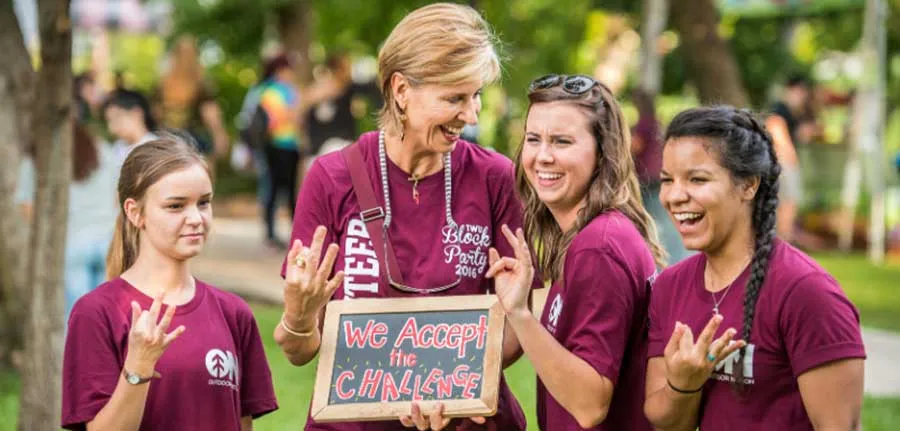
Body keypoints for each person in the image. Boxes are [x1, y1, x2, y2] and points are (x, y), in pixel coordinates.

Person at [273, 3, 532, 430]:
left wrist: (450, 392)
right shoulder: (332, 177)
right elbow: (298, 350)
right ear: (400, 91)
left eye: (476, 96)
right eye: (455, 98)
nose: (471, 115)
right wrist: (300, 315)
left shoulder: (495, 177)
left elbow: (519, 321)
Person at [644, 106, 866, 430]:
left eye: (697, 179)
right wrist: (684, 384)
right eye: (667, 180)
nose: (675, 195)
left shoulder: (807, 292)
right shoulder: (669, 288)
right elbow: (666, 423)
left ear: (749, 185)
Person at [61, 135, 278, 430]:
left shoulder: (233, 313)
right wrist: (138, 368)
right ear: (135, 212)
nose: (195, 218)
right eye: (176, 206)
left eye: (204, 203)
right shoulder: (97, 312)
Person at [485, 74, 665, 430]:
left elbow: (589, 404)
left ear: (602, 152)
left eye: (562, 141)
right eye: (533, 139)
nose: (543, 156)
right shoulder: (593, 237)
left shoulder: (598, 248)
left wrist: (520, 314)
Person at [16, 121, 119, 321]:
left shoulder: (38, 157)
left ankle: (79, 352)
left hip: (71, 243)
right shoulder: (100, 148)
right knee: (111, 313)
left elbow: (28, 208)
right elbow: (118, 193)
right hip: (108, 241)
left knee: (78, 315)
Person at [631, 89, 691, 264]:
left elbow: (635, 147)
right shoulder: (657, 123)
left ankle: (658, 260)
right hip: (658, 176)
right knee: (661, 221)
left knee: (650, 221)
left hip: (647, 179)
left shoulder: (644, 124)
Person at [155, 35, 229, 160]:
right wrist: (220, 135)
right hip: (188, 140)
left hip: (172, 139)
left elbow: (156, 113)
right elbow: (210, 114)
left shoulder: (163, 84)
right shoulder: (201, 85)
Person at [305, 52, 382, 163]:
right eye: (346, 68)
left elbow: (372, 88)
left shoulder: (349, 88)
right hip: (324, 149)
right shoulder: (318, 92)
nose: (350, 72)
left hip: (341, 146)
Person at [767, 75, 813, 244]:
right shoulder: (780, 109)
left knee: (788, 204)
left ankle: (783, 242)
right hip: (784, 163)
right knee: (787, 203)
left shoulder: (793, 112)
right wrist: (790, 159)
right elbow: (776, 130)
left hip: (785, 162)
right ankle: (782, 242)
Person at [103, 89, 158, 163]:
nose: (111, 128)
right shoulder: (116, 149)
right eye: (109, 121)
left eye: (117, 118)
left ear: (137, 113)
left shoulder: (156, 149)